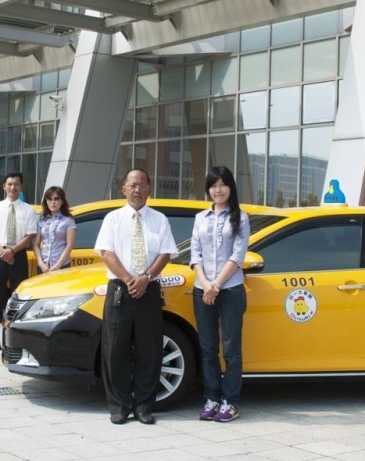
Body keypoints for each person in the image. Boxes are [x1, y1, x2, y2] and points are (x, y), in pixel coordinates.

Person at [94, 168, 178, 425]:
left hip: (149, 289)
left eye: (142, 185)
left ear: (150, 189)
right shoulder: (113, 219)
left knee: (149, 351)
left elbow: (165, 253)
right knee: (115, 351)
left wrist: (146, 278)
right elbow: (106, 252)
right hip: (120, 289)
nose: (137, 189)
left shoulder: (160, 220)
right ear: (124, 189)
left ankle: (143, 406)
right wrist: (130, 280)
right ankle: (119, 406)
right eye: (133, 185)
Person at [190, 166, 251, 423]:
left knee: (231, 349)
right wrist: (205, 284)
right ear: (208, 189)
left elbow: (238, 256)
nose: (218, 190)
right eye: (213, 185)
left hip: (230, 291)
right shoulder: (200, 218)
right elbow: (195, 255)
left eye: (223, 184)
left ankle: (230, 401)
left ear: (230, 188)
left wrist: (216, 285)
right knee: (207, 348)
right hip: (202, 290)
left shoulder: (241, 217)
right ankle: (211, 398)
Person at [0, 172, 37, 352]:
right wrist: (2, 251)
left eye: (16, 184)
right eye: (10, 184)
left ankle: (17, 341)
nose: (13, 187)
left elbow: (30, 236)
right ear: (4, 186)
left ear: (21, 187)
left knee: (18, 297)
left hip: (18, 254)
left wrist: (12, 251)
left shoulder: (28, 210)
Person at [33, 187, 76, 274]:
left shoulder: (68, 220)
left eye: (56, 199)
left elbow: (70, 245)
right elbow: (36, 244)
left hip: (62, 266)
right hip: (43, 267)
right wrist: (40, 263)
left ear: (62, 201)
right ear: (46, 201)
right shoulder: (42, 220)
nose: (53, 202)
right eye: (49, 199)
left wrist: (57, 266)